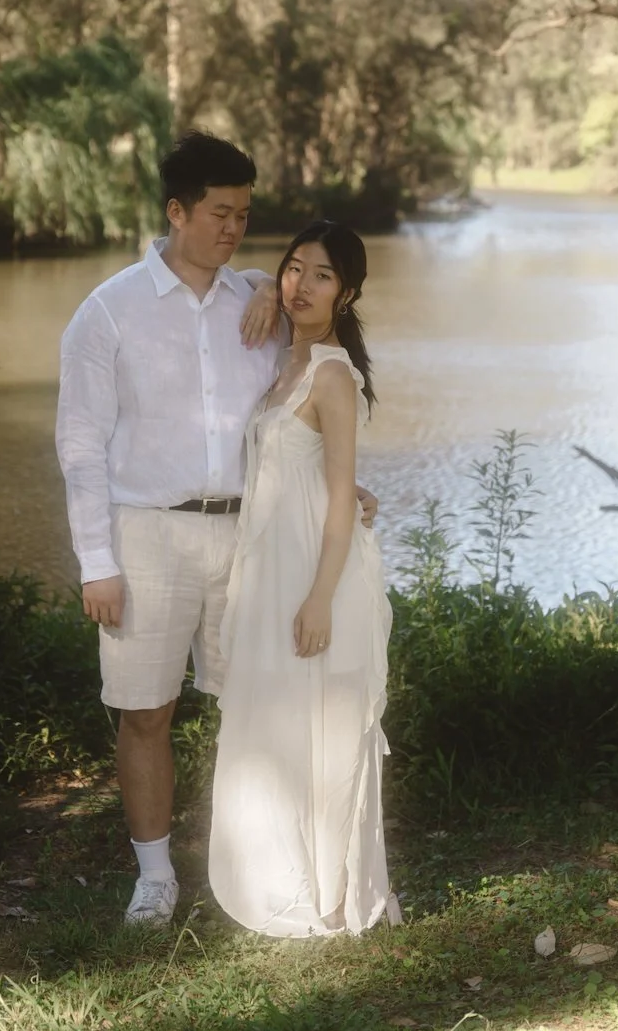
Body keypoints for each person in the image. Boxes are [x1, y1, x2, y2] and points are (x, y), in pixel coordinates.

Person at [56, 134, 376, 926]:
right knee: (145, 710)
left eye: (245, 214)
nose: (235, 228)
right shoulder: (107, 312)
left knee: (264, 697)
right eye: (221, 213)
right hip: (147, 536)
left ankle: (270, 862)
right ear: (177, 211)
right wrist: (96, 559)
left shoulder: (260, 304)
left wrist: (342, 486)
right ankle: (156, 876)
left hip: (251, 540)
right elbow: (80, 443)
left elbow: (298, 409)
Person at [208, 221, 395, 937]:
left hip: (317, 575)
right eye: (293, 270)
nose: (301, 285)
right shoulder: (283, 364)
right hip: (269, 570)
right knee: (274, 719)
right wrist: (261, 280)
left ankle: (324, 891)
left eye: (321, 276)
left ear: (346, 293)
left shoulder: (332, 373)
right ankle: (273, 873)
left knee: (323, 724)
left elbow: (340, 492)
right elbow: (311, 472)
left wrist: (320, 597)